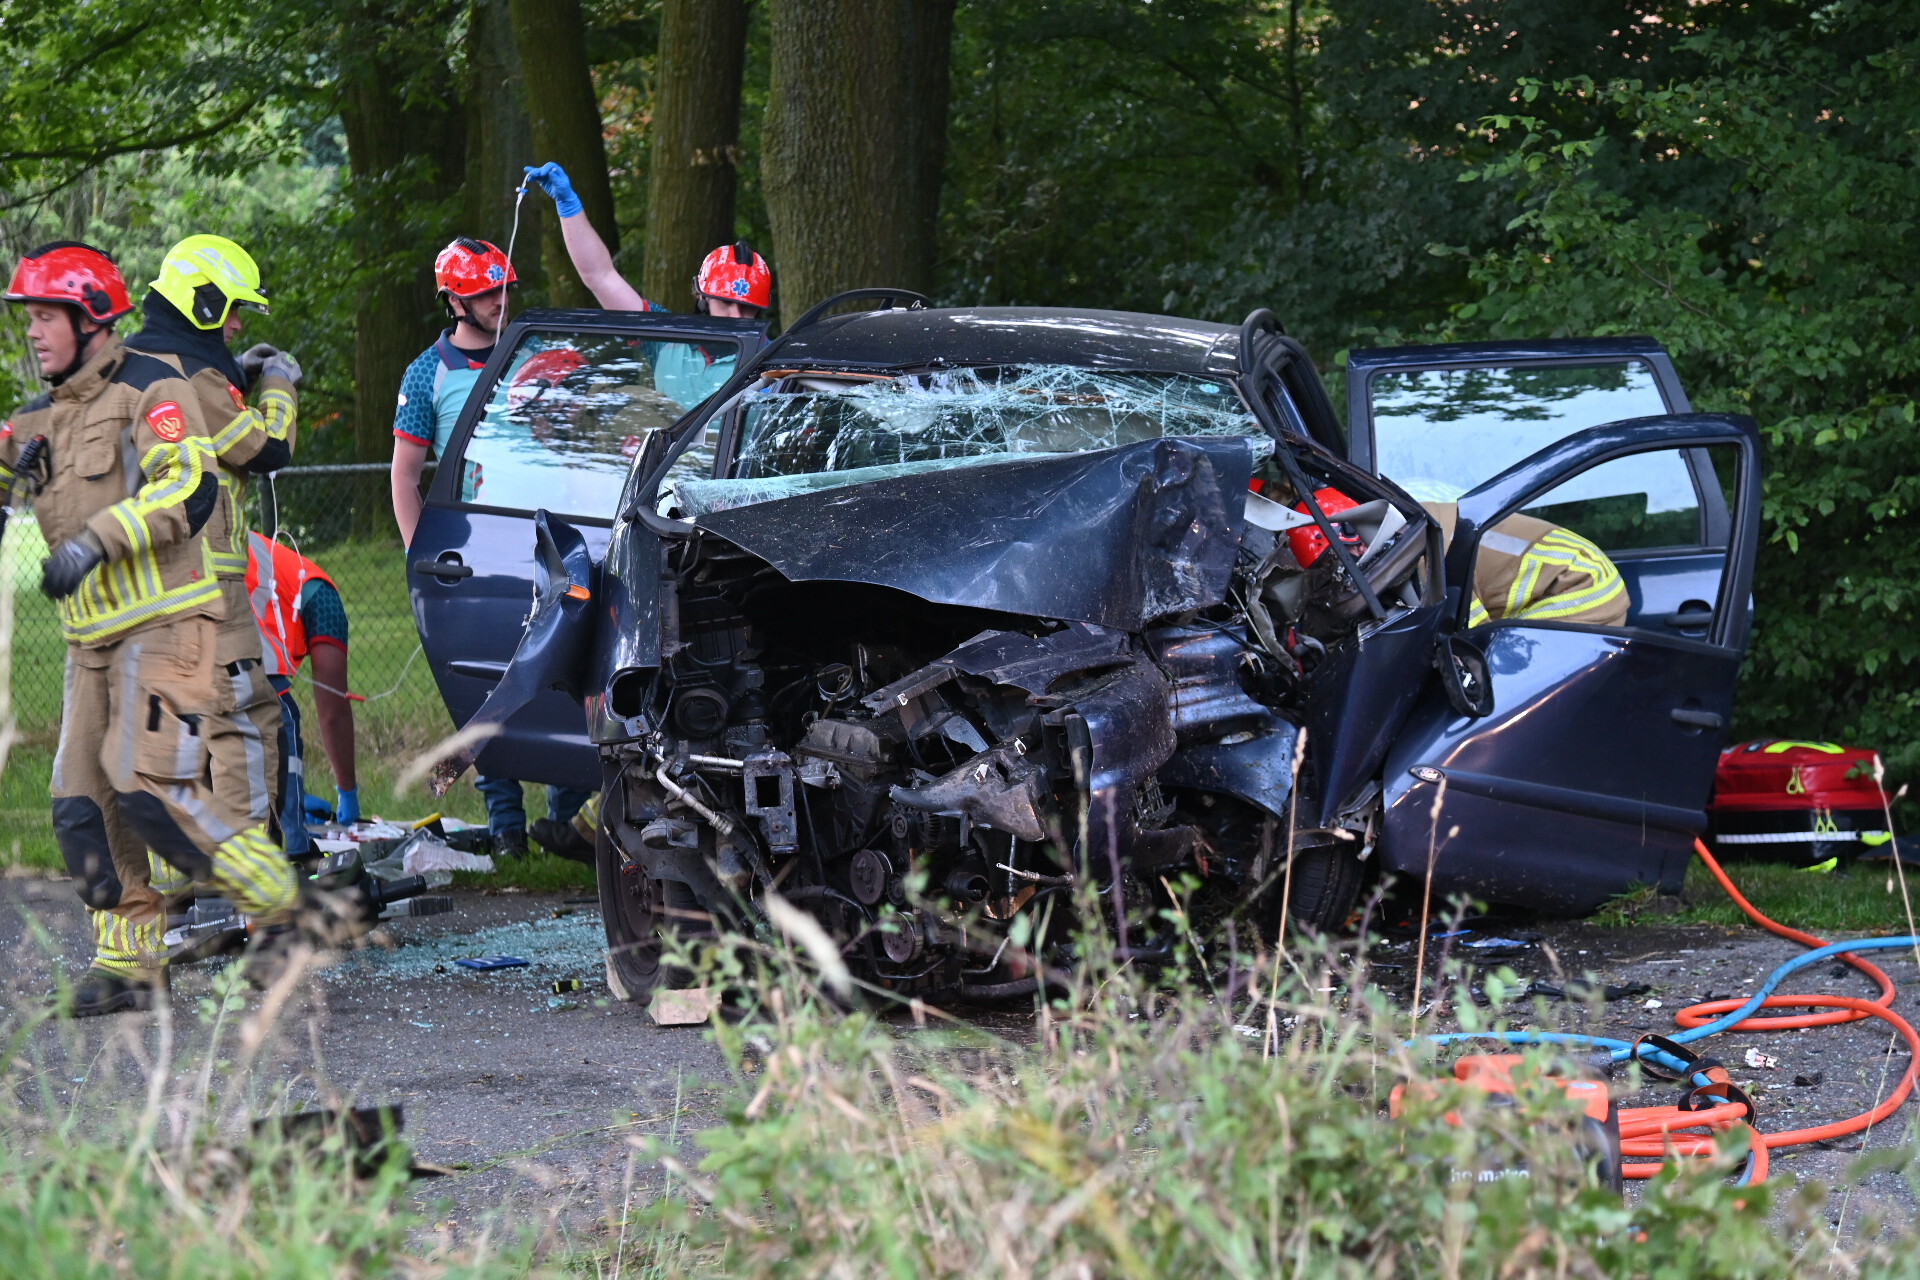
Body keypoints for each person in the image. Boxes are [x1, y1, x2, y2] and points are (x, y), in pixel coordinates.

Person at [1, 242, 300, 1015]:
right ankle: (130, 958)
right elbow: (268, 446)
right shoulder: (44, 412)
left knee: (164, 786)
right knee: (81, 799)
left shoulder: (154, 385)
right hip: (92, 635)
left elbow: (191, 484)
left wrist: (96, 541)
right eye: (27, 318)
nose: (32, 333)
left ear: (89, 319)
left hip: (175, 620)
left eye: (44, 318)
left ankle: (271, 913)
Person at [388, 237, 589, 857]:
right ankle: (506, 826)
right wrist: (423, 559)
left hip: (546, 542)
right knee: (485, 690)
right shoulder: (429, 373)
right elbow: (404, 475)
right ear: (454, 299)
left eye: (506, 289)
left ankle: (564, 814)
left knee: (561, 676)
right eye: (486, 294)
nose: (501, 302)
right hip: (472, 554)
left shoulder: (529, 352)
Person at [125, 234, 298, 845]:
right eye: (232, 309)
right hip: (203, 591)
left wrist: (237, 375)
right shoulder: (195, 377)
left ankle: (187, 888)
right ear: (201, 305)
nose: (238, 323)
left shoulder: (136, 362)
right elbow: (263, 448)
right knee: (248, 721)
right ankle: (248, 882)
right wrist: (277, 383)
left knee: (171, 738)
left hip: (141, 594)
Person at [519, 161, 770, 410]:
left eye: (748, 308)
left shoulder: (775, 362)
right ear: (702, 297)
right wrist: (568, 206)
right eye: (727, 302)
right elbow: (600, 276)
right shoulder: (666, 337)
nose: (737, 316)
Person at [247, 531, 356, 854]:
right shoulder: (323, 599)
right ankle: (292, 846)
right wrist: (348, 796)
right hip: (248, 662)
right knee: (282, 722)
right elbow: (333, 711)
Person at [1421, 503, 1628, 628]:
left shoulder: (1415, 552)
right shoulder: (1410, 517)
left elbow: (1461, 631)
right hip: (1583, 573)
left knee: (1493, 672)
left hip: (1585, 589)